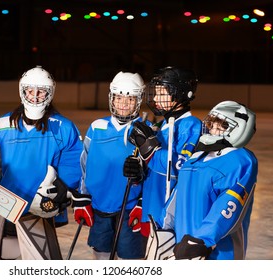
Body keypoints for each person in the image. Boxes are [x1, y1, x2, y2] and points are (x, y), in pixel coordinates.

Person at [0, 66, 84, 260]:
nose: (34, 96)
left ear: (49, 94)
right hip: (6, 207)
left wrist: (63, 189)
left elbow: (74, 164)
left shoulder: (64, 127)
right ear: (22, 91)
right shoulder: (3, 124)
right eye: (30, 91)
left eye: (41, 91)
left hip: (41, 209)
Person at [159, 101, 258, 260]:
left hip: (217, 252)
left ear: (239, 130)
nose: (213, 129)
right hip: (183, 247)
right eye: (212, 124)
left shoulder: (241, 160)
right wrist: (164, 225)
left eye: (222, 126)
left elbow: (228, 205)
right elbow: (178, 194)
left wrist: (201, 240)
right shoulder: (196, 157)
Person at [79, 71, 150, 260]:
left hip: (130, 207)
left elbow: (154, 172)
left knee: (130, 260)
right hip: (100, 205)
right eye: (119, 98)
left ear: (138, 100)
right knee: (101, 256)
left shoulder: (145, 129)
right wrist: (82, 199)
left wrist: (143, 202)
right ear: (112, 98)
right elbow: (84, 165)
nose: (124, 104)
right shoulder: (97, 127)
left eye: (130, 99)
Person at [124, 66, 202, 236]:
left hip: (171, 216)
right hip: (152, 209)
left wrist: (149, 150)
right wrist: (139, 173)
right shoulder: (161, 125)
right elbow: (153, 169)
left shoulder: (192, 127)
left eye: (162, 93)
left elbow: (180, 169)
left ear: (181, 94)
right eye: (155, 93)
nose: (155, 98)